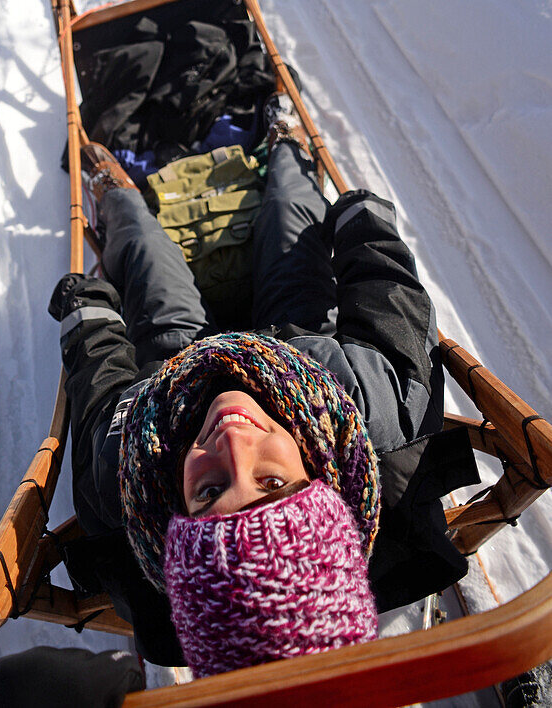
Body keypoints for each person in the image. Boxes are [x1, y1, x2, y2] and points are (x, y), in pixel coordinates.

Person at [46, 92, 475, 678]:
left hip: (177, 363)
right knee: (290, 216)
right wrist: (363, 223)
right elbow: (389, 299)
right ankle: (286, 147)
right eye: (272, 482)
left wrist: (89, 312)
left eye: (207, 492)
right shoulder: (372, 402)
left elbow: (99, 380)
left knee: (146, 253)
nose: (231, 443)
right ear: (322, 482)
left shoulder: (125, 468)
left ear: (172, 514)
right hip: (298, 340)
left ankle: (115, 193)